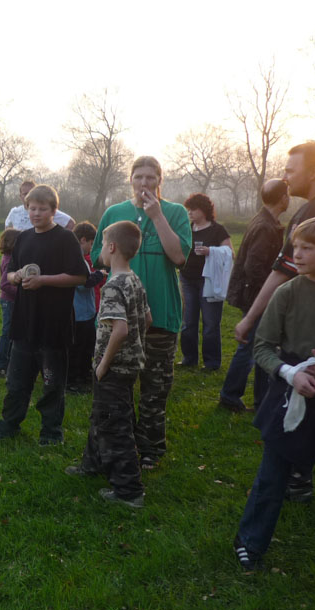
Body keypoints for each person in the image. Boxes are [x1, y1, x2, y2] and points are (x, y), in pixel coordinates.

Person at [91, 156, 192, 471]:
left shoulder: (175, 213)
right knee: (115, 388)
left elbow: (179, 257)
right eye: (139, 177)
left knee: (154, 389)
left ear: (160, 180)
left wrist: (156, 216)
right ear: (131, 179)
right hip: (120, 317)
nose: (144, 183)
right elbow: (97, 257)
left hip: (160, 316)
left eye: (151, 177)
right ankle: (116, 445)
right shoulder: (114, 213)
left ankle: (150, 448)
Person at [233, 215, 315, 571]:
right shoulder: (287, 293)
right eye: (295, 246)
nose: (296, 254)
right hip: (290, 391)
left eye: (307, 248)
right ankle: (251, 541)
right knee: (273, 473)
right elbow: (262, 347)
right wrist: (291, 373)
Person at [234, 141, 315, 501]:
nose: (284, 177)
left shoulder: (309, 218)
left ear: (313, 172)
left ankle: (294, 471)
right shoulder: (305, 213)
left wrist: (250, 318)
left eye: (290, 170)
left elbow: (281, 271)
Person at [0, 185, 87, 445]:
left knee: (52, 383)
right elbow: (10, 273)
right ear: (26, 209)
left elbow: (79, 276)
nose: (36, 213)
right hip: (24, 322)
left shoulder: (65, 239)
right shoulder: (23, 238)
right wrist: (16, 276)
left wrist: (43, 281)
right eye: (32, 208)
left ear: (54, 211)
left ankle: (51, 432)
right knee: (16, 381)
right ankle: (8, 425)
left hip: (53, 324)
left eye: (42, 209)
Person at [67, 220, 151, 508]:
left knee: (115, 426)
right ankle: (92, 464)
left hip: (113, 369)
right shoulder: (134, 279)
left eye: (103, 244)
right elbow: (147, 319)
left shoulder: (114, 285)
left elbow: (120, 329)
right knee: (102, 416)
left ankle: (129, 491)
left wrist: (103, 365)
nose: (101, 249)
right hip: (129, 365)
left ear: (112, 247)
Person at [219, 179, 289, 413]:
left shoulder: (266, 221)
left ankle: (262, 399)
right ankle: (230, 396)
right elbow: (254, 267)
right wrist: (270, 293)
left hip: (256, 295)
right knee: (250, 347)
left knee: (262, 345)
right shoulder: (265, 227)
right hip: (256, 296)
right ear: (283, 198)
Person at [178, 194, 233, 371]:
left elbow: (230, 252)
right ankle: (189, 358)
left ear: (204, 210)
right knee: (188, 321)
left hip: (208, 280)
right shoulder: (187, 228)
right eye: (188, 209)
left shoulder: (217, 230)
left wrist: (211, 251)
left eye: (193, 209)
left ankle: (211, 362)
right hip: (187, 278)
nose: (190, 213)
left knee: (210, 323)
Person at [68, 221, 106, 393]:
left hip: (87, 313)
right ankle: (72, 380)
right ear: (83, 240)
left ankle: (84, 374)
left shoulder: (80, 258)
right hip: (79, 315)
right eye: (91, 244)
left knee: (87, 347)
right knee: (77, 349)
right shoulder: (75, 259)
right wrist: (99, 275)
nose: (91, 248)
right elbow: (83, 283)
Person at [0, 228, 20, 377]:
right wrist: (21, 293)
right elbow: (4, 284)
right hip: (9, 301)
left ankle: (9, 362)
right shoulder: (10, 259)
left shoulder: (7, 256)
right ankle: (2, 365)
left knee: (11, 332)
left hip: (8, 300)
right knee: (8, 333)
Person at [4, 179, 76, 231]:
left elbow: (70, 223)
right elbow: (7, 230)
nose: (37, 213)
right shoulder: (14, 212)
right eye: (25, 194)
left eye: (31, 192)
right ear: (20, 196)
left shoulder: (48, 211)